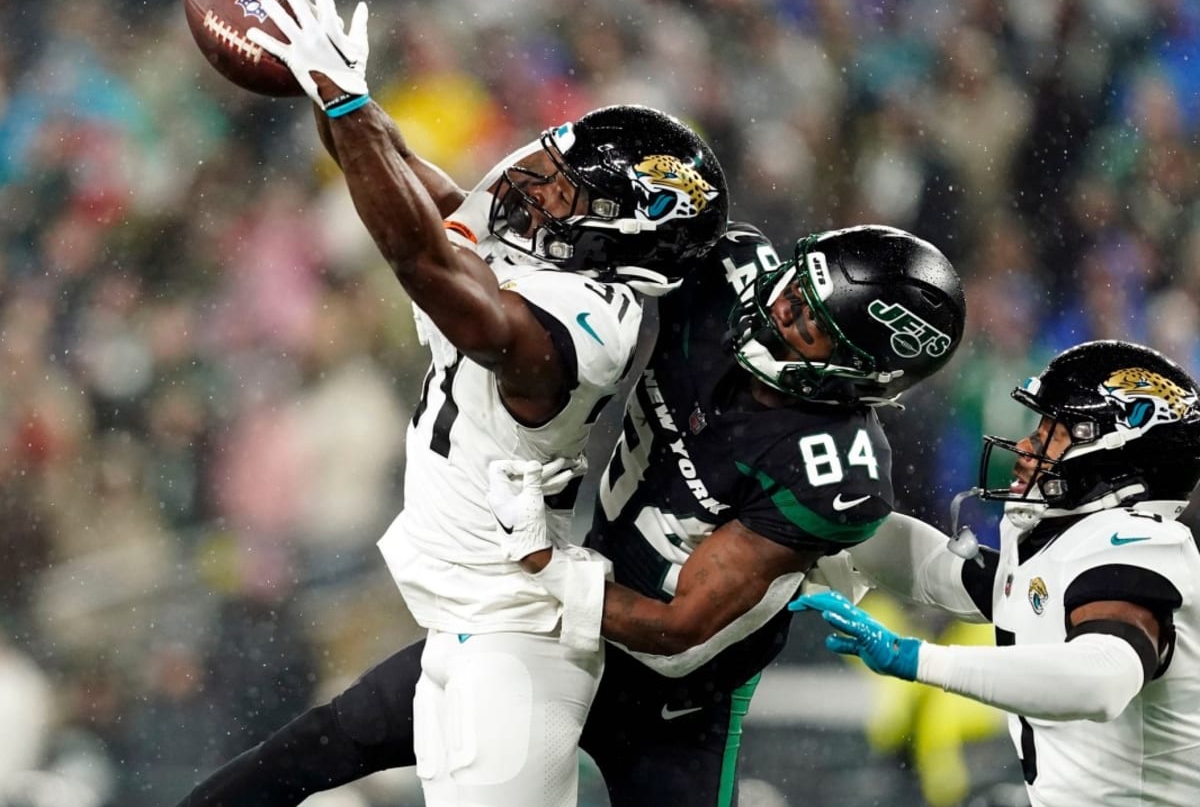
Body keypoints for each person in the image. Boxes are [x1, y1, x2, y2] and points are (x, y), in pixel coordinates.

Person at [178, 221, 966, 807]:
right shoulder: (725, 274)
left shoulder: (834, 467)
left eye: (807, 324)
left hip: (677, 699)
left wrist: (547, 565)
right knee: (333, 737)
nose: (776, 313)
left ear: (863, 374)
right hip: (551, 631)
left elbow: (679, 626)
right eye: (793, 290)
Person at [179, 0, 729, 807]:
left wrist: (341, 105)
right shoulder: (554, 258)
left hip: (511, 642)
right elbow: (415, 189)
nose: (536, 185)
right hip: (467, 621)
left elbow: (421, 256)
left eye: (568, 191)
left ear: (625, 236)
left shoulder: (581, 323)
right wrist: (335, 91)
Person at [793, 339, 1200, 806]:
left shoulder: (1139, 543)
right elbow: (939, 573)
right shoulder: (1064, 544)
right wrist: (820, 519)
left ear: (1114, 452)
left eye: (1055, 430)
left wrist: (918, 659)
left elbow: (1104, 678)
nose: (1027, 446)